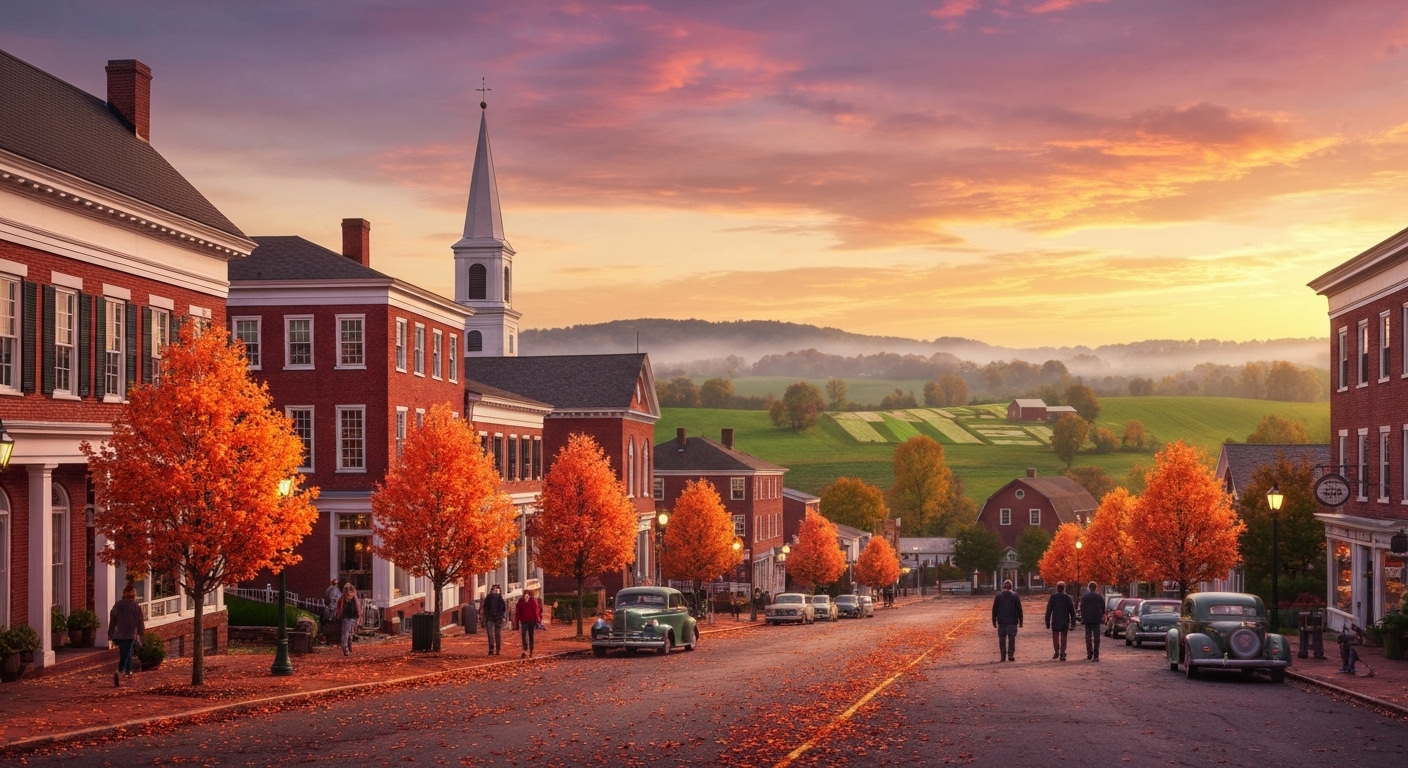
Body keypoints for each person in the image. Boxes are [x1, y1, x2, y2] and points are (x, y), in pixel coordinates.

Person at [108, 583, 145, 686]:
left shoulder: (117, 605)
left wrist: (110, 634)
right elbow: (140, 622)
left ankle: (128, 671)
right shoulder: (136, 606)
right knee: (126, 653)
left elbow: (112, 620)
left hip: (119, 634)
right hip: (130, 634)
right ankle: (119, 670)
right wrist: (142, 636)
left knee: (126, 652)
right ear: (134, 594)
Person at [991, 579, 1023, 662]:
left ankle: (1003, 656)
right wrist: (1021, 620)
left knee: (1002, 639)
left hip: (1002, 621)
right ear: (1011, 587)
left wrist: (994, 620)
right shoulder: (1015, 596)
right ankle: (1011, 654)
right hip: (1012, 621)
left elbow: (994, 609)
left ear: (1003, 587)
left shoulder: (999, 597)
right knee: (1012, 638)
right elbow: (1019, 609)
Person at [1044, 581, 1076, 661]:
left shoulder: (1053, 597)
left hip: (1056, 619)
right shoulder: (1067, 598)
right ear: (1064, 588)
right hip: (1065, 619)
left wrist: (1047, 622)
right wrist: (1073, 623)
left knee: (1055, 637)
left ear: (1057, 588)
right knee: (1063, 637)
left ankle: (1057, 650)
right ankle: (1062, 652)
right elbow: (1072, 611)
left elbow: (1048, 611)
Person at [1079, 581, 1105, 661]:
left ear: (1089, 588)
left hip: (1087, 619)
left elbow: (1082, 608)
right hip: (1096, 619)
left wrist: (1083, 617)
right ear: (1096, 588)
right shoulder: (1099, 597)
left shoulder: (1084, 597)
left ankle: (1089, 653)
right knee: (1097, 637)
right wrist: (1101, 615)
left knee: (1088, 637)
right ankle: (1096, 654)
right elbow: (1103, 608)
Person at [515, 588, 542, 658]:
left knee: (531, 635)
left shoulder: (533, 602)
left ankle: (531, 650)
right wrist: (517, 621)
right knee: (523, 634)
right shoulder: (520, 602)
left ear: (530, 596)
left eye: (527, 596)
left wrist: (538, 620)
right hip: (523, 620)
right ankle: (525, 648)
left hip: (531, 620)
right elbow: (517, 612)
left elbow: (536, 611)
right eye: (525, 597)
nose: (526, 598)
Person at [336, 584, 362, 656]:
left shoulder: (354, 599)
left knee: (350, 633)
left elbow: (358, 609)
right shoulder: (343, 600)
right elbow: (340, 608)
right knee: (346, 633)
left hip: (352, 617)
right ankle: (345, 647)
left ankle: (348, 645)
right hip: (346, 618)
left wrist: (358, 618)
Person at [481, 584, 507, 656]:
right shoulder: (489, 598)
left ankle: (496, 649)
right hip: (490, 618)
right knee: (491, 634)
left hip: (496, 618)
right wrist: (486, 616)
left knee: (496, 634)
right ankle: (492, 648)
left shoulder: (499, 598)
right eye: (494, 590)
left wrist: (500, 616)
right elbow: (485, 607)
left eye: (497, 590)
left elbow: (503, 608)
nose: (495, 592)